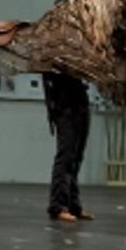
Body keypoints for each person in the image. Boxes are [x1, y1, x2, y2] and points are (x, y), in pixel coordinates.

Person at [43, 71, 92, 222]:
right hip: (64, 104)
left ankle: (73, 204)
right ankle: (58, 205)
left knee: (76, 156)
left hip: (79, 101)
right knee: (66, 155)